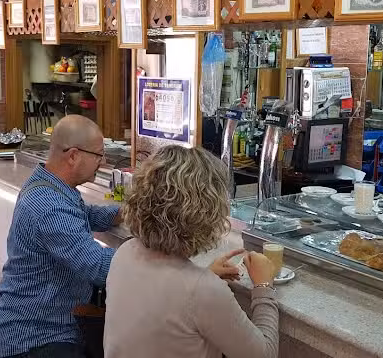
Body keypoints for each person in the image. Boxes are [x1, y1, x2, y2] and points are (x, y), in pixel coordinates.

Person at [104, 145, 279, 358]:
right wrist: (263, 286)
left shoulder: (125, 253)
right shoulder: (202, 291)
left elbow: (167, 301)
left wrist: (206, 276)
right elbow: (264, 354)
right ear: (206, 214)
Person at [0, 115, 121, 358]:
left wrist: (126, 214)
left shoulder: (52, 186)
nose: (102, 164)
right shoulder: (49, 205)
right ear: (73, 155)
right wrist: (152, 261)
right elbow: (100, 267)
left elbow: (84, 214)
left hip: (50, 328)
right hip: (34, 340)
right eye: (99, 155)